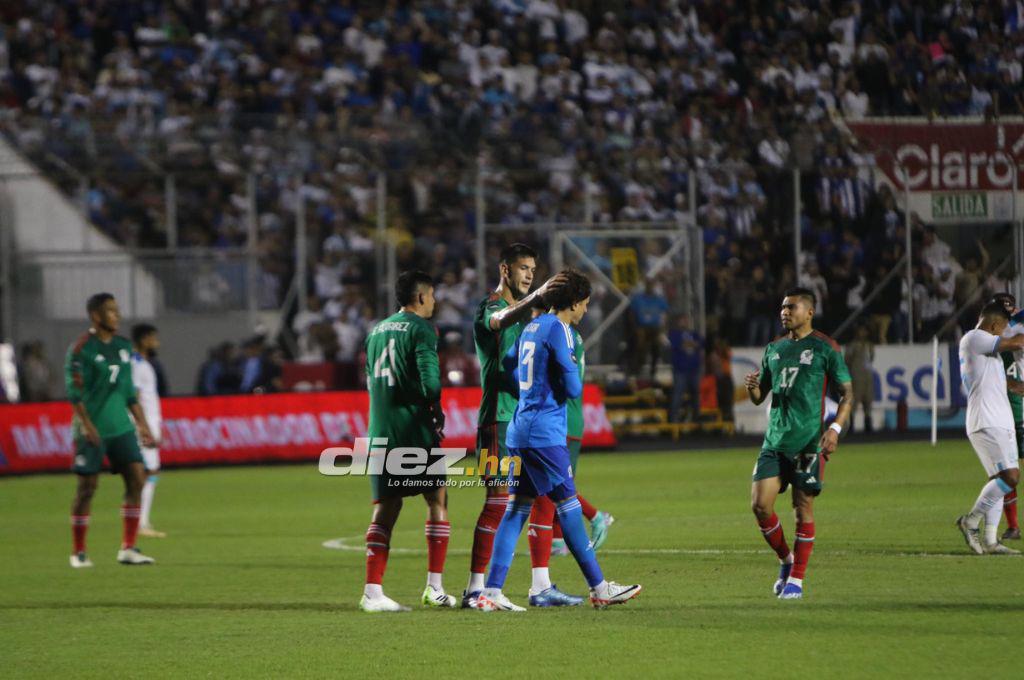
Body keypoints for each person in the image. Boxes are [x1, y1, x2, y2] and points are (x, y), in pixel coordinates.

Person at [476, 270, 641, 611]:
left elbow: (507, 368)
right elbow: (574, 388)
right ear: (575, 302)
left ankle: (491, 591)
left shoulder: (530, 328)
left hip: (520, 428)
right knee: (568, 506)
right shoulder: (561, 330)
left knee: (517, 508)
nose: (584, 311)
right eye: (585, 305)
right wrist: (566, 370)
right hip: (545, 432)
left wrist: (532, 386)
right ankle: (599, 587)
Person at [463, 243, 567, 609]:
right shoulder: (490, 307)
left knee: (534, 498)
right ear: (504, 269)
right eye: (523, 268)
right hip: (496, 419)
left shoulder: (524, 317)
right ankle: (476, 590)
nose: (529, 275)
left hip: (520, 422)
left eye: (533, 270)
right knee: (496, 503)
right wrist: (537, 297)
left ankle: (540, 585)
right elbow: (498, 322)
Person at [744, 287, 854, 600]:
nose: (784, 312)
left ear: (809, 312)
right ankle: (785, 559)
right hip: (775, 440)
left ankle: (797, 580)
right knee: (759, 505)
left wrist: (834, 428)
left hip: (808, 442)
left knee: (802, 507)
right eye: (782, 307)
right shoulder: (774, 348)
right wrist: (753, 387)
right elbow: (759, 397)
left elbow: (848, 393)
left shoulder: (825, 348)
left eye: (791, 307)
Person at [359, 270, 453, 612]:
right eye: (433, 295)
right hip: (413, 429)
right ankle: (434, 587)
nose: (435, 302)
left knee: (387, 507)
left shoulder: (375, 331)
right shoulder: (422, 330)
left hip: (379, 430)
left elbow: (372, 380)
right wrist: (433, 407)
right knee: (437, 500)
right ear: (422, 297)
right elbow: (431, 384)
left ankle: (372, 592)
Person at [66, 293, 157, 568]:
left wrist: (142, 425)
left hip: (120, 427)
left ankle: (128, 548)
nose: (117, 315)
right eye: (111, 311)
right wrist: (87, 425)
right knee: (87, 487)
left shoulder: (123, 346)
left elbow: (129, 392)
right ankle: (78, 552)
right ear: (96, 316)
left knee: (137, 478)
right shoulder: (83, 348)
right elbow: (74, 393)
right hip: (92, 429)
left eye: (117, 310)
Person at [955, 300, 1024, 555]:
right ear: (994, 324)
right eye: (1003, 327)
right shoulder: (974, 338)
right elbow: (1017, 342)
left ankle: (991, 540)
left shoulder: (985, 348)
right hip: (986, 420)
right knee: (1010, 477)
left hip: (999, 420)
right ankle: (970, 520)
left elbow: (989, 376)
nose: (1004, 331)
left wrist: (1014, 385)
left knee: (999, 481)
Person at [549, 313, 615, 560]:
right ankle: (556, 541)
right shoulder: (565, 334)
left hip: (564, 421)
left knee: (555, 484)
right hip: (561, 421)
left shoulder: (563, 336)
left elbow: (567, 381)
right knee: (553, 485)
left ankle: (596, 516)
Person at [991, 292, 1024, 540]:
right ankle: (1012, 526)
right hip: (1006, 412)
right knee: (1004, 471)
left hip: (1015, 409)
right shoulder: (986, 337)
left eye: (1010, 312)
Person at [131, 324, 166, 538]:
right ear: (144, 339)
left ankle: (140, 520)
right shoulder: (136, 365)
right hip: (142, 426)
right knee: (147, 472)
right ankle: (139, 523)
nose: (157, 342)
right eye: (153, 338)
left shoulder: (144, 364)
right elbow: (133, 397)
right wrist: (143, 426)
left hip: (149, 424)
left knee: (148, 472)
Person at [668, 314, 703, 423]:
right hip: (680, 370)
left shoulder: (694, 333)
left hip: (694, 369)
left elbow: (701, 343)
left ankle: (696, 418)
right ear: (678, 322)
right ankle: (673, 418)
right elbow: (678, 344)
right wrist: (693, 344)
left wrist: (689, 344)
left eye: (687, 320)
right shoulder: (674, 333)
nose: (685, 322)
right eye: (683, 320)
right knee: (678, 394)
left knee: (696, 394)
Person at [844, 324, 875, 433]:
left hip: (868, 376)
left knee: (868, 399)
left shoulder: (869, 345)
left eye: (865, 331)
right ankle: (851, 425)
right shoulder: (852, 345)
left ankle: (868, 423)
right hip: (857, 375)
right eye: (861, 331)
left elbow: (871, 358)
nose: (863, 333)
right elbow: (847, 360)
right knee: (855, 400)